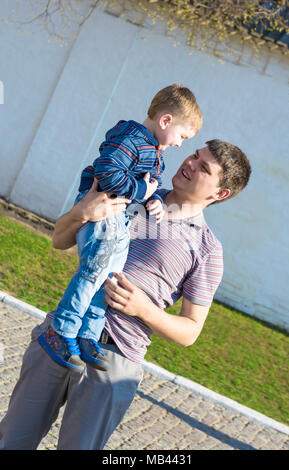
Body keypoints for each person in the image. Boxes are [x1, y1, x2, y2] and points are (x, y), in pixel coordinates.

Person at [0, 139, 251, 450]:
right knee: (10, 441)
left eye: (204, 167)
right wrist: (82, 212)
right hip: (62, 331)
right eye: (194, 155)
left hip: (114, 359)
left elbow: (191, 331)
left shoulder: (207, 249)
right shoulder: (133, 193)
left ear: (220, 193)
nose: (190, 163)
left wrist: (143, 309)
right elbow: (60, 239)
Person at [38, 84, 202, 372]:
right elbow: (108, 172)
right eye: (182, 136)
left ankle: (88, 334)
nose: (179, 144)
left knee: (110, 276)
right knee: (94, 270)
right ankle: (61, 329)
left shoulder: (153, 150)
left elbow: (145, 186)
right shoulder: (130, 137)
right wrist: (141, 190)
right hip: (101, 208)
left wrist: (151, 201)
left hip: (118, 215)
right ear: (165, 121)